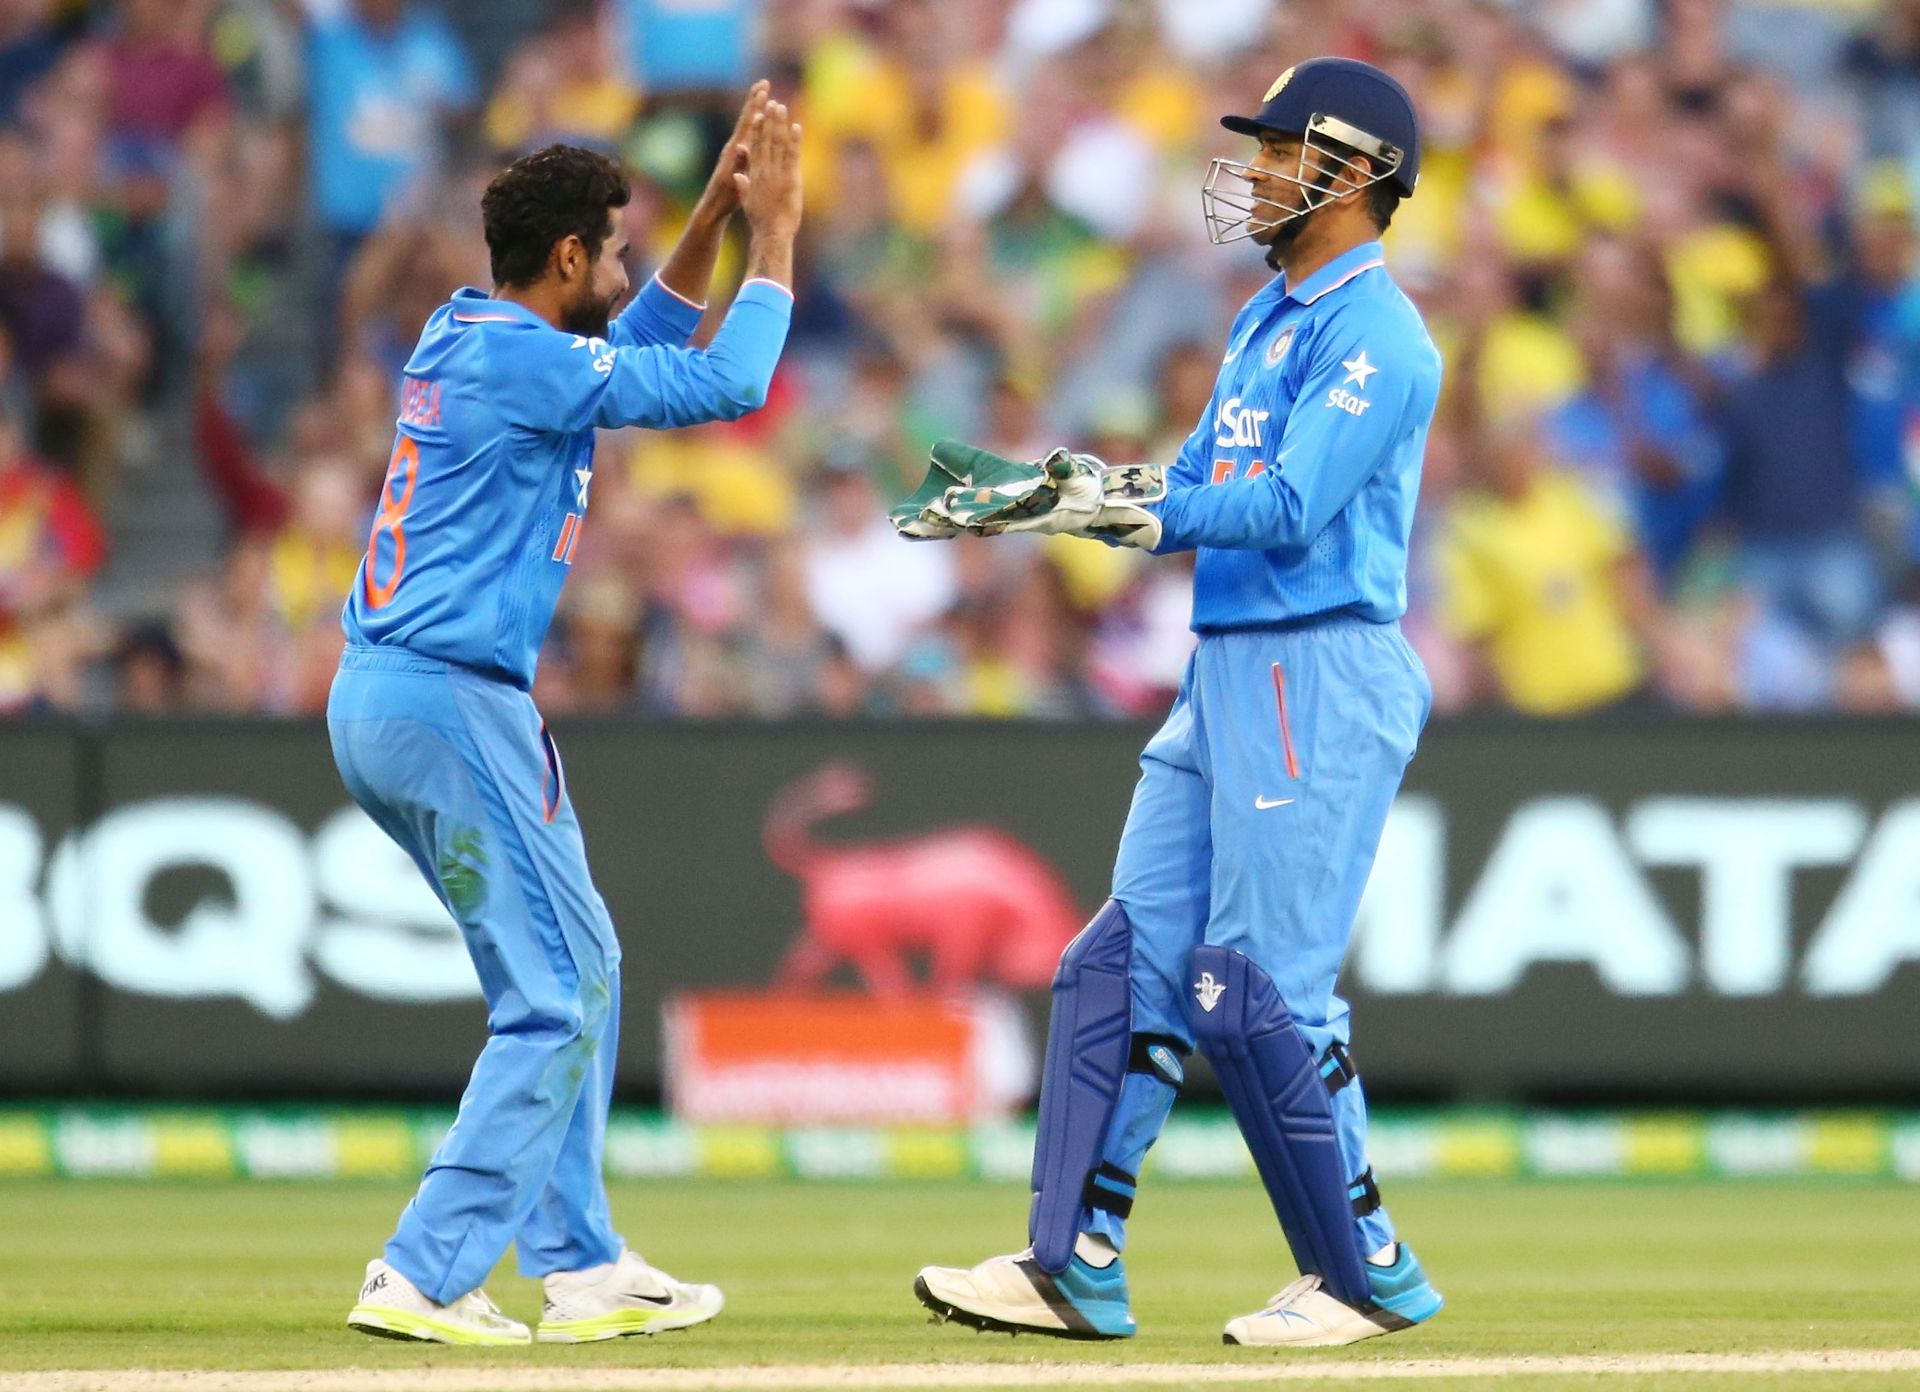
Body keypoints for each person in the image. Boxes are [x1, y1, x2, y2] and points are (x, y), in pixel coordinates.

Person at [912, 59, 1446, 1348]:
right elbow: (1199, 479)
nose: (1255, 173)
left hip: (1316, 665)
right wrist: (1069, 491)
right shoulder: (1265, 319)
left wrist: (1144, 510)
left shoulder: (1380, 334)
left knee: (1262, 988)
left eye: (1279, 151)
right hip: (1229, 665)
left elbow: (1287, 509)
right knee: (1125, 961)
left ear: (1353, 173)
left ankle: (1362, 1273)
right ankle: (1070, 1262)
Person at [327, 83, 802, 1346]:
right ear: (571, 256)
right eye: (621, 245)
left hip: (401, 694)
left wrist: (707, 216)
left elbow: (631, 337)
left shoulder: (478, 332)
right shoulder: (524, 358)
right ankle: (426, 1271)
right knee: (561, 986)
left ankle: (583, 1262)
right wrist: (780, 240)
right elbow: (723, 386)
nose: (634, 266)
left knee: (571, 970)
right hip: (448, 698)